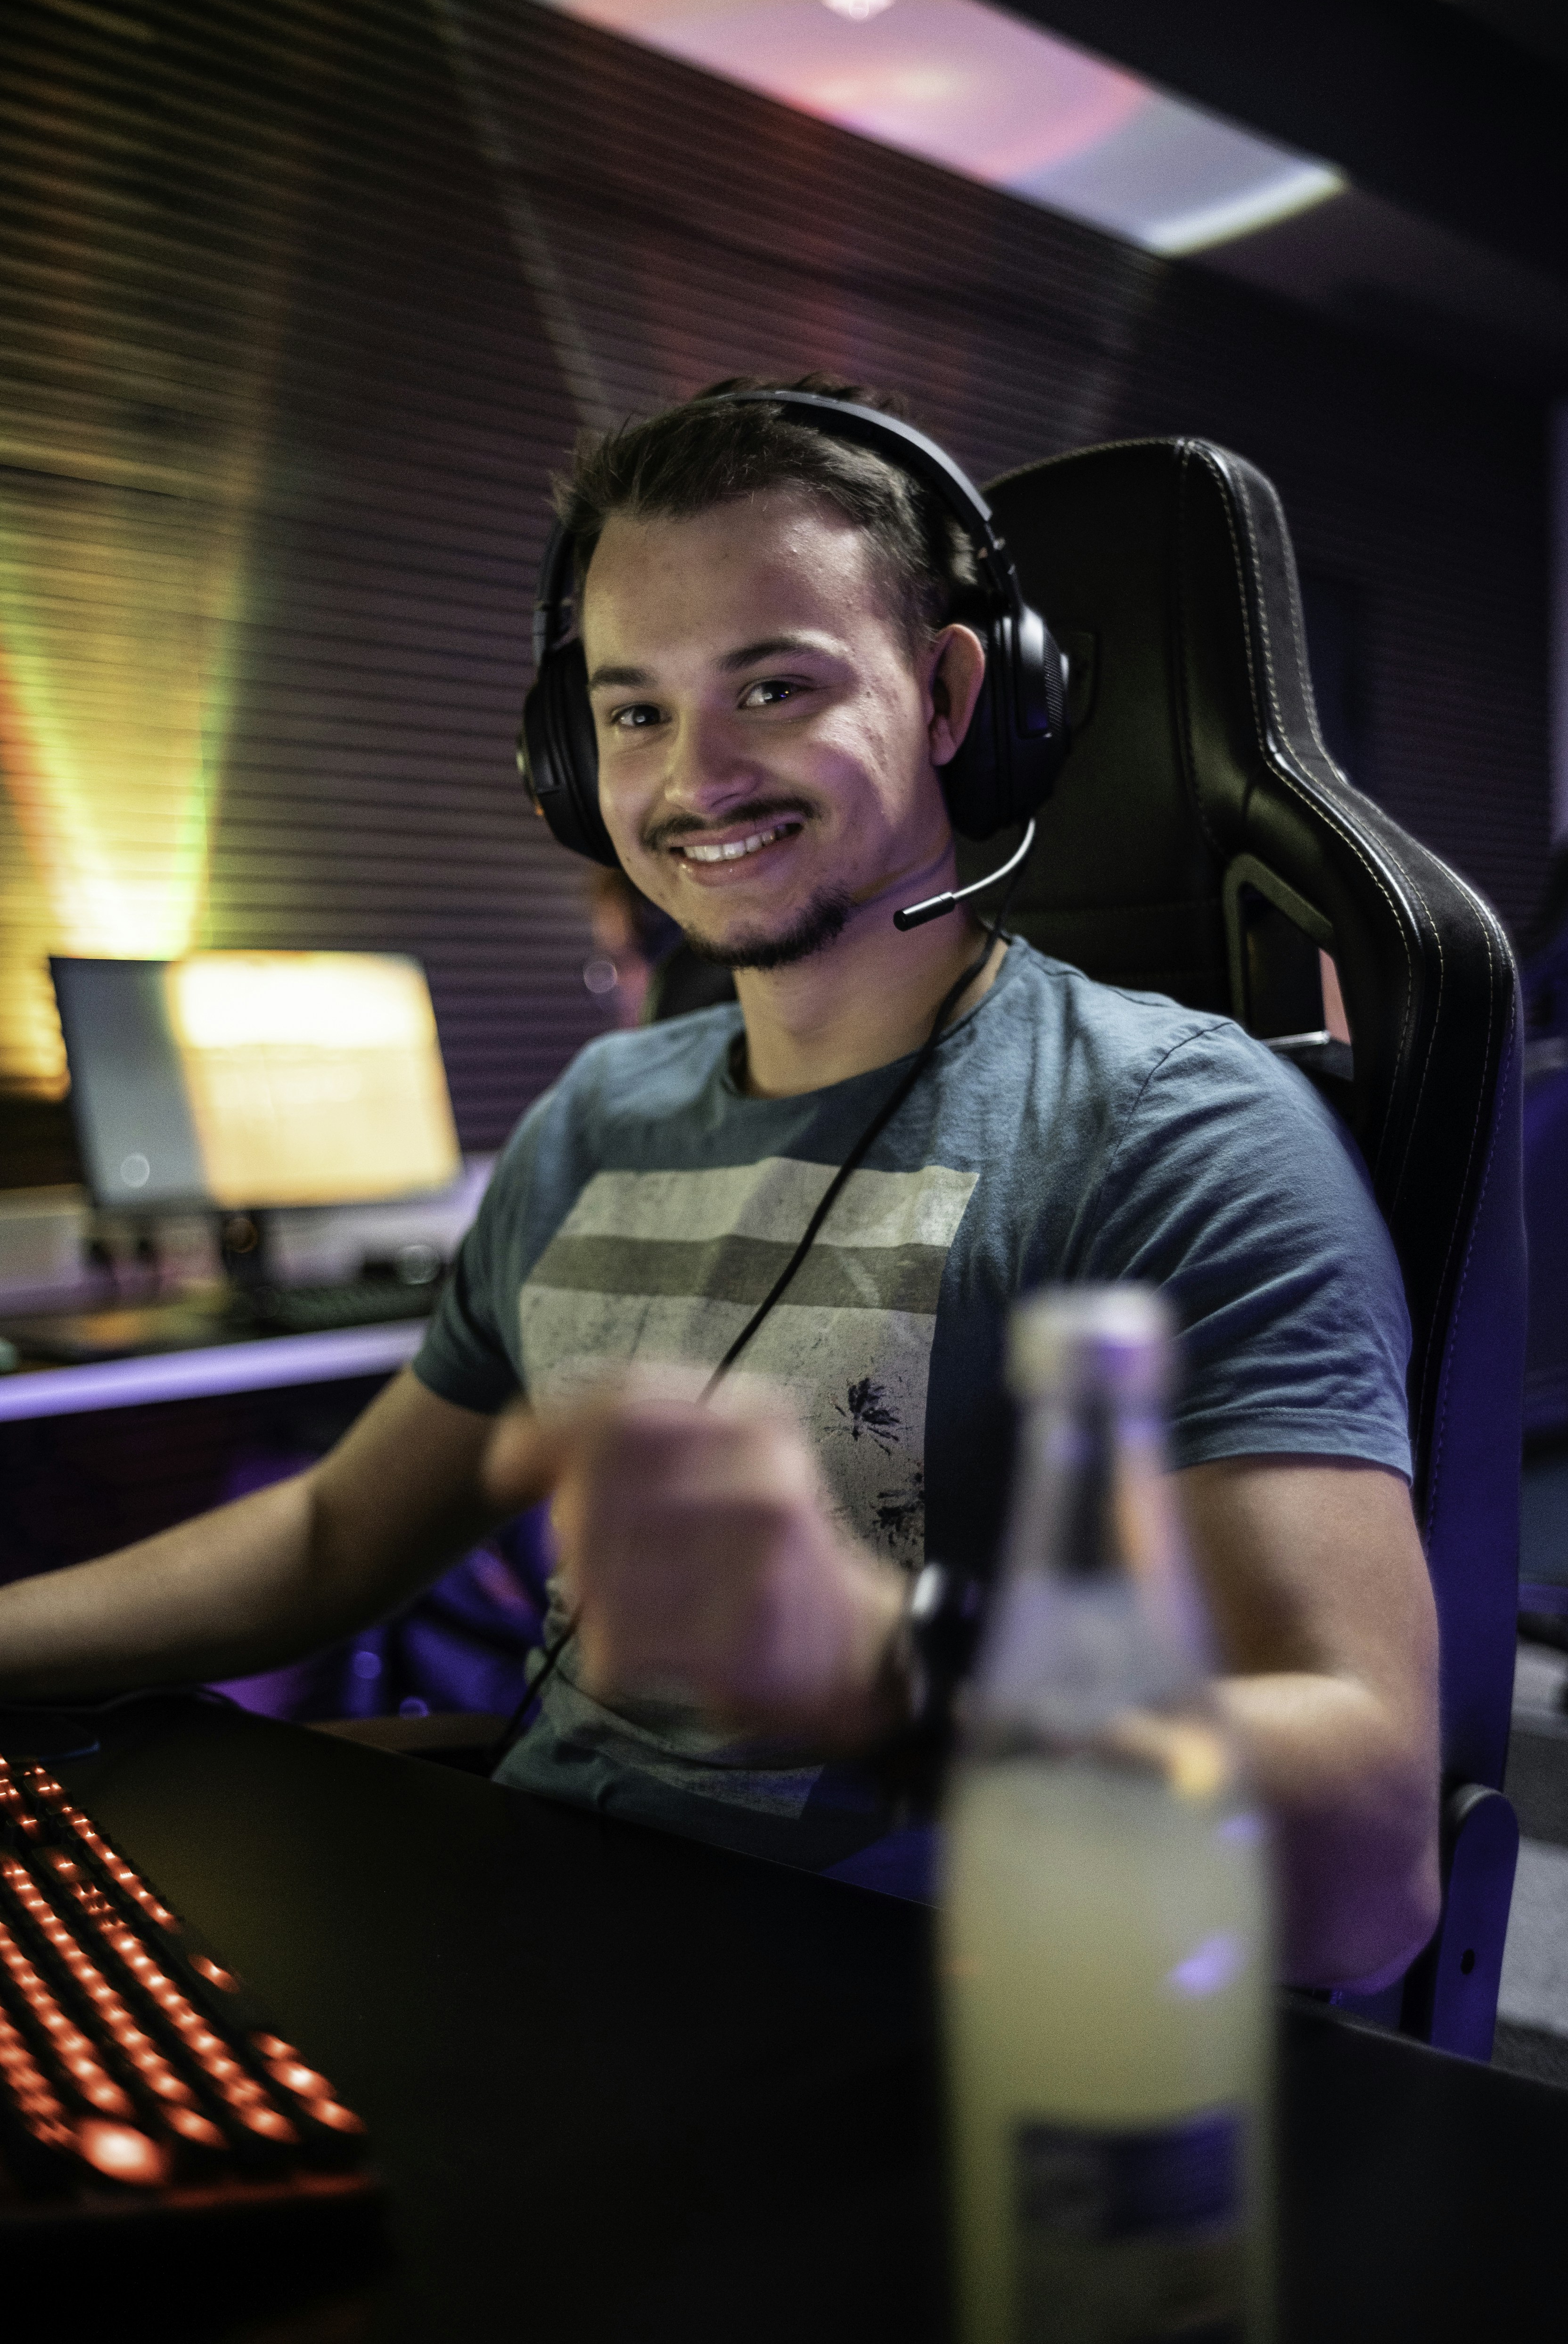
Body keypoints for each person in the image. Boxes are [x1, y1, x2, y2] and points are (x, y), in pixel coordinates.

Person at [0, 380, 1438, 1990]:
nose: (696, 777)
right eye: (634, 712)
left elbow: (1374, 1864)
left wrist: (891, 1674)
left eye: (774, 686)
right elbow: (340, 1538)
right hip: (554, 1957)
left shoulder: (1171, 1133)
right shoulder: (600, 1117)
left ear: (956, 694)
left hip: (952, 2039)